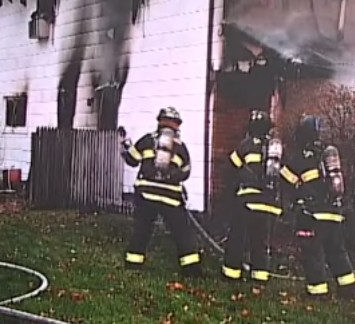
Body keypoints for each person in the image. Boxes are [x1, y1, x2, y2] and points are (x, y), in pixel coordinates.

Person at [281, 114, 355, 299]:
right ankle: (348, 290)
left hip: (311, 215)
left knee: (313, 253)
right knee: (337, 252)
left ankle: (318, 293)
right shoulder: (326, 154)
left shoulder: (300, 157)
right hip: (333, 214)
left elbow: (285, 179)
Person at [119, 107, 202, 276]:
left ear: (159, 121)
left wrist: (125, 147)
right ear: (177, 126)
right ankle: (191, 269)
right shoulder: (181, 148)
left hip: (146, 194)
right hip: (171, 197)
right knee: (182, 232)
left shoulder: (147, 140)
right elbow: (186, 172)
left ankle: (133, 264)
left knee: (142, 229)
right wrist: (173, 177)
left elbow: (132, 161)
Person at [221, 110, 286, 283]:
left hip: (247, 201)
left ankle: (231, 274)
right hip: (269, 204)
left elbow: (231, 168)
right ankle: (260, 276)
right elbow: (284, 175)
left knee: (237, 238)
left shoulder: (245, 144)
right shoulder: (274, 150)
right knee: (260, 242)